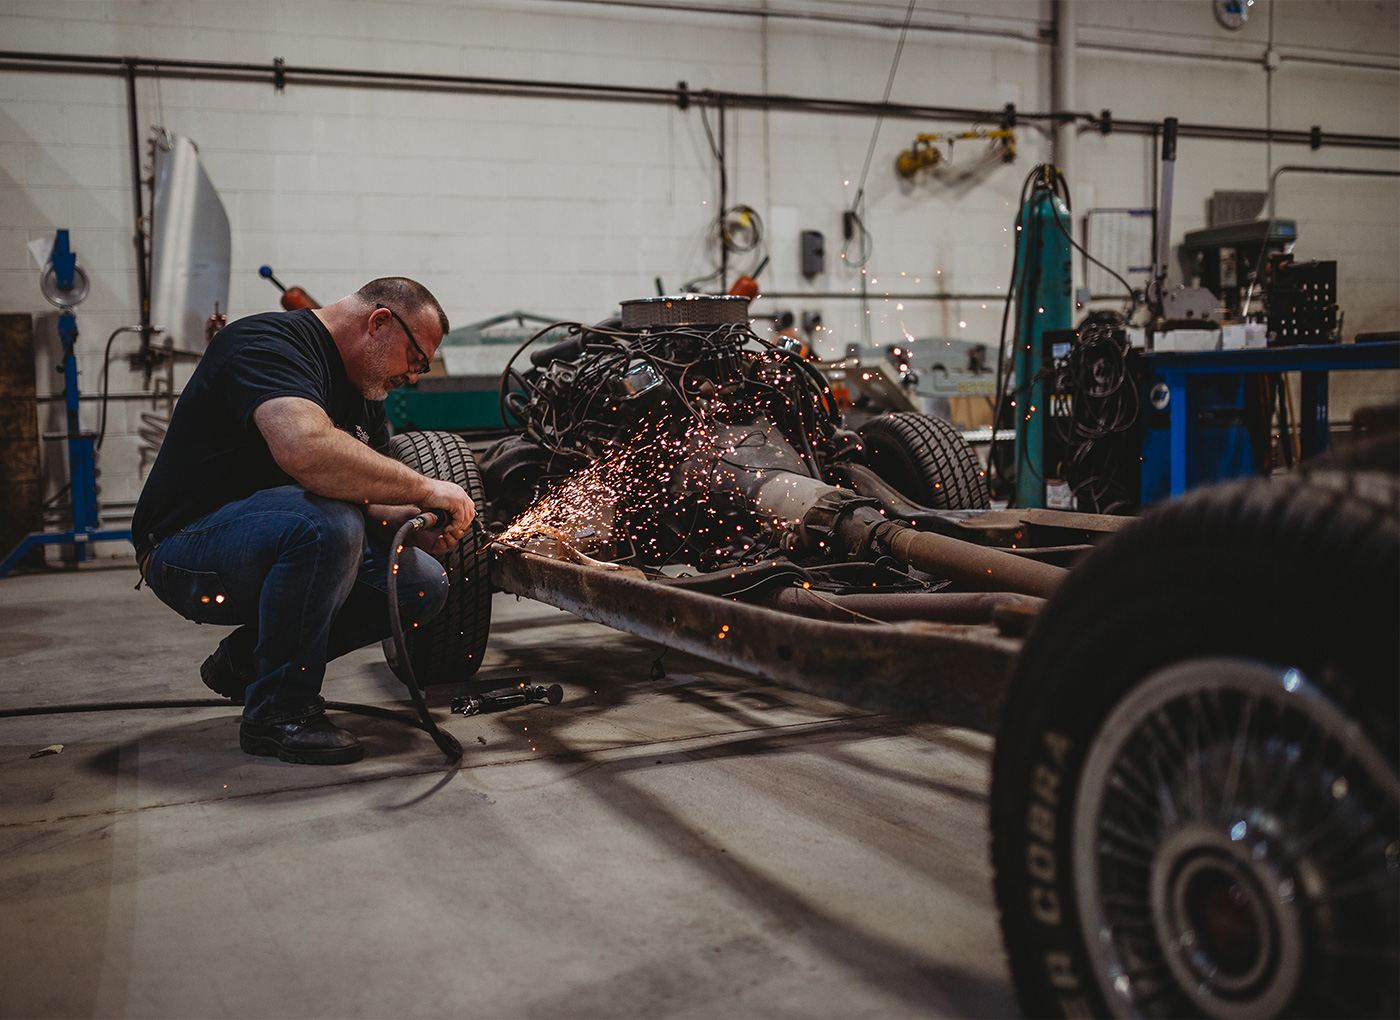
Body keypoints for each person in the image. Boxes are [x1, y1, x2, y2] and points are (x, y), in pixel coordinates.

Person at [131, 278, 475, 765]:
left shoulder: (365, 399)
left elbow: (370, 500)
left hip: (276, 540)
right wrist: (425, 488)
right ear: (379, 322)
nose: (414, 377)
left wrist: (416, 521)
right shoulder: (266, 343)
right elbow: (306, 450)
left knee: (421, 583)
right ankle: (279, 712)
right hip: (183, 550)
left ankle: (246, 663)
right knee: (327, 523)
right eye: (415, 359)